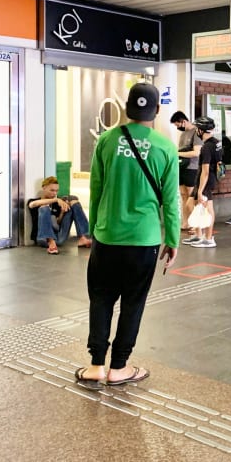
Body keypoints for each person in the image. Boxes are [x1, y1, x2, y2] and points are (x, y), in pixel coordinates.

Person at [74, 83, 179, 390]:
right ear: (156, 111)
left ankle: (95, 365)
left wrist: (94, 228)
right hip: (143, 240)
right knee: (133, 303)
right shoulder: (164, 147)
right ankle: (119, 367)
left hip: (107, 237)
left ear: (127, 108)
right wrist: (172, 239)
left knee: (101, 298)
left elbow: (96, 189)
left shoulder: (107, 140)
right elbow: (171, 201)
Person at [182, 116, 221, 248]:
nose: (196, 130)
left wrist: (200, 191)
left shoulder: (207, 147)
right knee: (189, 204)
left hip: (206, 180)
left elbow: (205, 170)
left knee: (207, 208)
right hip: (207, 178)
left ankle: (209, 239)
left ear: (201, 130)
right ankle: (199, 235)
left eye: (198, 128)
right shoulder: (217, 143)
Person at [27, 176, 92, 254]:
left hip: (59, 238)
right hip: (43, 239)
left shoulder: (57, 204)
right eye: (52, 190)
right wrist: (56, 199)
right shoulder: (34, 201)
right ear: (44, 188)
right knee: (44, 208)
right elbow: (32, 204)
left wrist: (62, 212)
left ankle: (83, 237)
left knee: (74, 203)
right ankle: (51, 242)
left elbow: (57, 223)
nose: (54, 193)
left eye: (56, 191)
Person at [170, 111, 202, 233]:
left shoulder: (196, 132)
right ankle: (186, 222)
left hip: (192, 168)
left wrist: (177, 153)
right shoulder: (183, 135)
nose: (178, 127)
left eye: (178, 125)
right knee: (183, 195)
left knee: (191, 196)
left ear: (183, 121)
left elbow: (196, 152)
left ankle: (195, 224)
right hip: (182, 167)